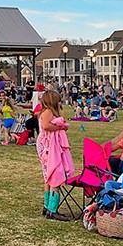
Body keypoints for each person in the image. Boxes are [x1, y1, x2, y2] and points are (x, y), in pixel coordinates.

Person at [35, 90, 74, 221]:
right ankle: (53, 209)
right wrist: (60, 127)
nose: (59, 102)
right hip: (48, 147)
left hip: (46, 145)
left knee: (48, 177)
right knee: (55, 174)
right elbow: (46, 126)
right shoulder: (48, 112)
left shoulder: (45, 111)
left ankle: (47, 206)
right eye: (58, 100)